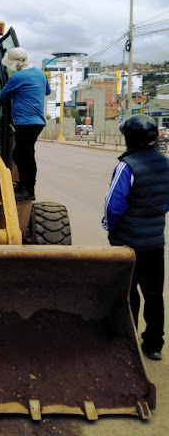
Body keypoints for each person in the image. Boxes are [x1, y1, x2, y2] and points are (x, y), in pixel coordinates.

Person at [102, 114, 169, 361]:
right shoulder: (165, 163)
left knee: (127, 293)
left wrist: (111, 229)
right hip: (154, 243)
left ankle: (124, 341)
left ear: (129, 139)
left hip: (127, 243)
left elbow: (113, 206)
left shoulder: (126, 165)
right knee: (154, 294)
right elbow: (165, 201)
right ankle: (154, 345)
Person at [0, 47, 51, 201]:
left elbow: (3, 96)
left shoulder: (17, 77)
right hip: (37, 122)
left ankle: (28, 189)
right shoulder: (41, 74)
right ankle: (24, 186)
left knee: (25, 155)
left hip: (25, 122)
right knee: (21, 154)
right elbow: (47, 91)